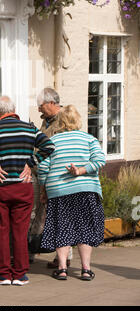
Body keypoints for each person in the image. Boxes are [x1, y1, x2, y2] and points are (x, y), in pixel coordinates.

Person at [0, 96, 55, 286]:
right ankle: (19, 274)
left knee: (1, 230)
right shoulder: (30, 128)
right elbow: (49, 146)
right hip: (23, 187)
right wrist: (30, 163)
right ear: (14, 109)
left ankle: (2, 274)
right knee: (20, 230)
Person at [37, 105, 106, 281]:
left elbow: (43, 168)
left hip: (58, 191)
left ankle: (61, 269)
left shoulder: (51, 142)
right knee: (85, 228)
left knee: (62, 227)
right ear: (78, 120)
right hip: (85, 190)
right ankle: (86, 269)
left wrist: (44, 190)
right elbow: (100, 160)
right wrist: (82, 171)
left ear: (60, 122)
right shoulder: (89, 139)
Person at [29, 87, 73, 268]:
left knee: (59, 215)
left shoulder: (64, 121)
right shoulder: (46, 121)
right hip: (39, 173)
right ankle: (31, 252)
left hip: (57, 175)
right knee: (35, 213)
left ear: (52, 103)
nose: (38, 109)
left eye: (41, 106)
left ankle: (64, 257)